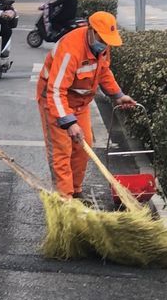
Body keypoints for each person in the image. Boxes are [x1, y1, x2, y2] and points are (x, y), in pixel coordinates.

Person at [36, 11, 137, 199]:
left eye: (108, 40)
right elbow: (56, 91)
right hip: (56, 101)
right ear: (91, 30)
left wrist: (118, 95)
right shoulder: (70, 50)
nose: (105, 44)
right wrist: (68, 122)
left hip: (80, 103)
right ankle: (65, 200)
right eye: (102, 38)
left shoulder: (102, 46)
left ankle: (75, 190)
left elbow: (104, 71)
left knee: (84, 145)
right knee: (61, 150)